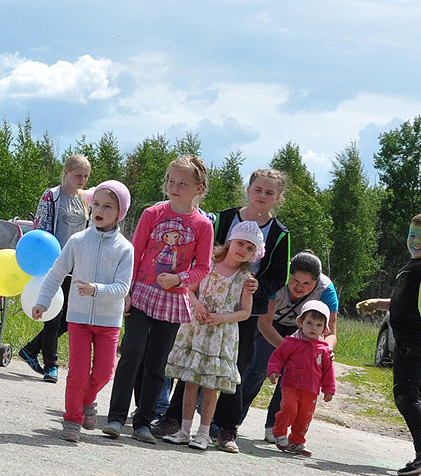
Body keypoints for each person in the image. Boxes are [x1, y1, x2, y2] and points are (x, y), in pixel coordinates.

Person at [156, 169, 291, 451]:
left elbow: (279, 277)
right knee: (194, 363)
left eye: (269, 192)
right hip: (206, 301)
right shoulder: (225, 218)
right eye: (258, 190)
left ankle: (225, 427)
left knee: (234, 369)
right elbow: (204, 251)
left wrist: (254, 287)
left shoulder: (279, 234)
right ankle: (175, 419)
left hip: (243, 310)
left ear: (278, 197)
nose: (262, 196)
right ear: (248, 190)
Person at [102, 155, 214, 443]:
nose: (174, 187)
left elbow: (203, 267)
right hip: (141, 293)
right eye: (171, 181)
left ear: (198, 189)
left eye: (183, 184)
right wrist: (126, 291)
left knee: (157, 363)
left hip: (173, 299)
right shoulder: (153, 214)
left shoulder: (202, 225)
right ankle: (115, 417)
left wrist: (180, 279)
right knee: (132, 352)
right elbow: (134, 253)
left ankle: (143, 421)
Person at [357, 213, 421, 476]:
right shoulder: (414, 266)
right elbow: (406, 302)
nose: (416, 241)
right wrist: (377, 303)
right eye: (412, 235)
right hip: (408, 340)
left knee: (405, 395)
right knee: (414, 394)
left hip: (416, 341)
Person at [31, 180, 132, 442]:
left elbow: (122, 288)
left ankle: (88, 400)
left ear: (120, 212)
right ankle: (72, 419)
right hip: (77, 318)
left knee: (103, 373)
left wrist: (96, 289)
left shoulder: (125, 248)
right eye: (96, 204)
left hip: (109, 321)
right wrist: (43, 300)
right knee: (76, 372)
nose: (99, 210)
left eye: (108, 206)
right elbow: (56, 273)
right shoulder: (77, 241)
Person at [160, 221, 262, 449]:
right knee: (190, 382)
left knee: (209, 386)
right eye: (240, 243)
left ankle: (204, 433)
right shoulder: (209, 265)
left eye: (249, 248)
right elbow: (189, 289)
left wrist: (221, 318)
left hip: (220, 337)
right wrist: (196, 306)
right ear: (231, 242)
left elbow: (246, 312)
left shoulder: (246, 280)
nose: (242, 250)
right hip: (196, 330)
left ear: (254, 254)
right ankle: (184, 430)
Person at [235, 251, 338, 443]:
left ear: (317, 281)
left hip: (302, 330)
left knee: (291, 376)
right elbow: (264, 323)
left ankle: (274, 428)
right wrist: (290, 350)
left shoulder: (326, 290)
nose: (300, 287)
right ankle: (232, 420)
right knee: (259, 368)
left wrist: (326, 350)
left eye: (307, 283)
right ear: (288, 275)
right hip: (271, 325)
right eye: (295, 281)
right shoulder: (278, 277)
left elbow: (331, 332)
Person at [19, 154, 92, 382]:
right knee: (54, 314)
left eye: (86, 176)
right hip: (54, 262)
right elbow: (42, 227)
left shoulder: (85, 199)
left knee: (70, 318)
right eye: (78, 175)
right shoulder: (52, 195)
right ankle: (51, 364)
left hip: (77, 264)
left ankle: (31, 349)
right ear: (66, 172)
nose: (82, 180)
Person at [267, 299, 336, 456]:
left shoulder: (324, 349)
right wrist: (273, 370)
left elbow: (328, 370)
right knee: (289, 408)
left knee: (305, 417)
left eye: (318, 325)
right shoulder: (291, 342)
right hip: (290, 384)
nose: (313, 328)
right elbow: (278, 357)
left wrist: (329, 389)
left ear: (324, 329)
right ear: (300, 322)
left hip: (311, 389)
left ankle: (297, 441)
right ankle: (279, 431)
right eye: (309, 323)